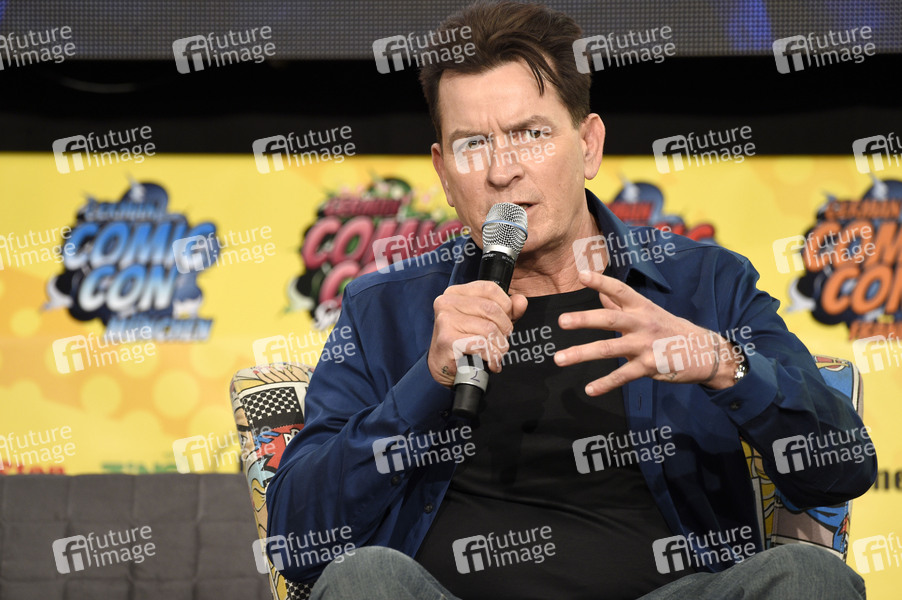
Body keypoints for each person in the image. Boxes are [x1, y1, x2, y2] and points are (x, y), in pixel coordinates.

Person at [265, 2, 876, 598]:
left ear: (589, 145)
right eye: (472, 144)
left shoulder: (705, 284)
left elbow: (843, 468)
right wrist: (429, 381)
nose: (502, 171)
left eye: (530, 134)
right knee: (364, 580)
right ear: (444, 173)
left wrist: (722, 364)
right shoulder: (384, 308)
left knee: (808, 577)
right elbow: (297, 543)